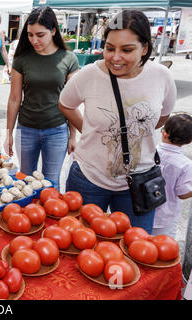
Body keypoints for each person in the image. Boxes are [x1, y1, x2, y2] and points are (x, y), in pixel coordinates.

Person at [58, 10, 177, 233]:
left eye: (127, 49)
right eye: (109, 48)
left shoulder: (162, 76)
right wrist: (88, 130)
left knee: (136, 250)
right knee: (79, 246)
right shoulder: (89, 75)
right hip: (88, 178)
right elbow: (65, 103)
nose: (115, 57)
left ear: (145, 47)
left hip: (139, 182)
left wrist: (136, 133)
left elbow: (163, 116)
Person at [3, 6, 79, 189]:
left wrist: (73, 136)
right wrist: (8, 133)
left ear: (53, 30)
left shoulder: (69, 59)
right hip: (26, 129)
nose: (34, 40)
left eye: (40, 35)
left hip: (57, 130)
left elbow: (72, 102)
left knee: (51, 183)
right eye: (30, 35)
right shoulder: (22, 59)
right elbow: (14, 99)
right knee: (25, 182)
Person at [152, 114, 192, 238]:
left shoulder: (150, 152)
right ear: (189, 141)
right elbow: (183, 193)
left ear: (163, 133)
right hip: (165, 219)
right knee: (162, 252)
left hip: (140, 211)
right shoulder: (185, 165)